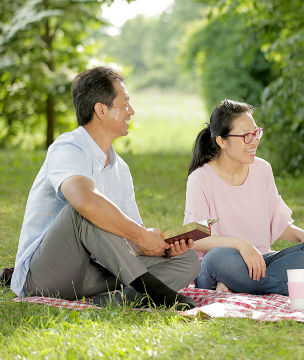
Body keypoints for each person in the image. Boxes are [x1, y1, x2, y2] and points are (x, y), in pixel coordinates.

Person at [11, 66, 200, 309]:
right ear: (101, 110)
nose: (131, 111)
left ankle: (118, 300)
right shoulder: (68, 147)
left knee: (189, 261)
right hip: (46, 275)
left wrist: (158, 247)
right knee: (84, 211)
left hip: (96, 274)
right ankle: (155, 292)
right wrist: (140, 235)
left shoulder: (121, 168)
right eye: (125, 104)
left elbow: (128, 238)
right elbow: (85, 202)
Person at [184, 99, 304, 295]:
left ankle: (236, 286)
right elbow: (197, 240)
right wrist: (241, 245)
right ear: (221, 141)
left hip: (262, 261)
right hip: (220, 264)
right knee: (216, 258)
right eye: (245, 136)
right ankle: (291, 288)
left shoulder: (262, 169)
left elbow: (278, 223)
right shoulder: (200, 179)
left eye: (256, 133)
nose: (254, 141)